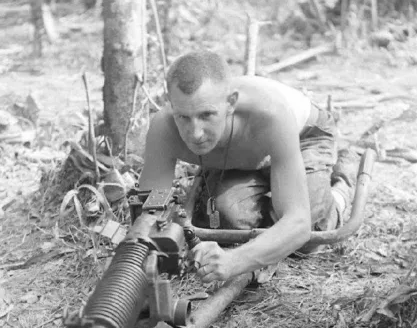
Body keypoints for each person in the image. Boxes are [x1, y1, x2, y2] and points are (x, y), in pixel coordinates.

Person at [138, 50, 358, 283]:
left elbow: (298, 223)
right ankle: (270, 194)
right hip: (241, 154)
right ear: (171, 105)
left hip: (302, 136)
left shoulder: (271, 114)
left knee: (310, 235)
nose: (195, 133)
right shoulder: (163, 128)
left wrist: (235, 261)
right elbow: (151, 208)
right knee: (228, 220)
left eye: (207, 115)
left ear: (230, 103)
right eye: (183, 117)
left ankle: (341, 185)